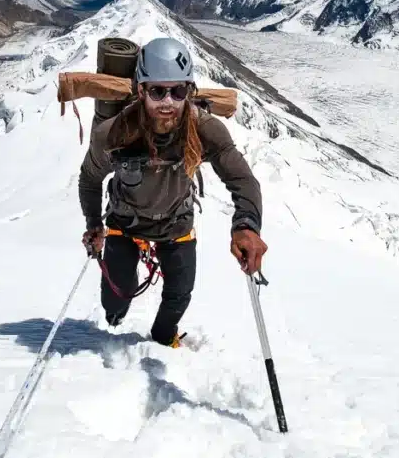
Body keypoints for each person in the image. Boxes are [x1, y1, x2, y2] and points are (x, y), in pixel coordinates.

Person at [77, 36, 268, 348]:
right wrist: (94, 225)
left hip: (175, 223)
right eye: (157, 91)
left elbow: (243, 180)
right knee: (114, 299)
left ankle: (164, 339)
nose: (168, 101)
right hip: (125, 223)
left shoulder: (206, 129)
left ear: (189, 92)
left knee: (179, 294)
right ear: (140, 91)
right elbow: (89, 178)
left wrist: (246, 225)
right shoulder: (113, 133)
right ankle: (113, 320)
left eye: (178, 91)